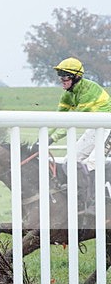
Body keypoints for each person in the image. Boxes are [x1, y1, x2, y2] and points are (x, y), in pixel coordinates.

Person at [49, 57, 111, 214]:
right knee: (70, 161)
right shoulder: (68, 94)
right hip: (95, 127)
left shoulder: (88, 91)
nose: (61, 79)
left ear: (76, 76)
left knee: (92, 163)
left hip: (108, 128)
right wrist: (43, 138)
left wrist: (53, 138)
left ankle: (99, 200)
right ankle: (80, 197)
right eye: (60, 75)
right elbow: (57, 119)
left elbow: (72, 121)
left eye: (65, 75)